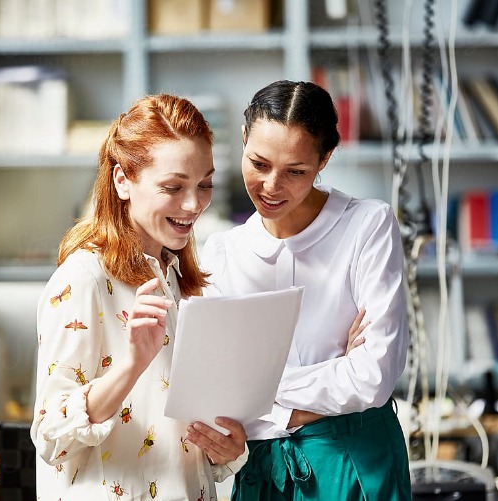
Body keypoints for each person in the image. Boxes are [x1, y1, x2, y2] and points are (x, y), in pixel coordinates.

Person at [198, 80, 413, 500]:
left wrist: (260, 393)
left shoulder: (367, 226)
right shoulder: (223, 251)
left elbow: (373, 378)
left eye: (295, 171)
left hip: (355, 461)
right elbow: (218, 392)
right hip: (263, 470)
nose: (271, 187)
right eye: (258, 163)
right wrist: (334, 375)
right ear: (242, 140)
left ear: (324, 159)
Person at [31, 93, 248, 500]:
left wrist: (227, 449)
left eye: (204, 185)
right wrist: (131, 363)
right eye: (172, 187)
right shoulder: (83, 278)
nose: (193, 204)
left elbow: (174, 432)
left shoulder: (179, 279)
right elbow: (50, 436)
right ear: (122, 181)